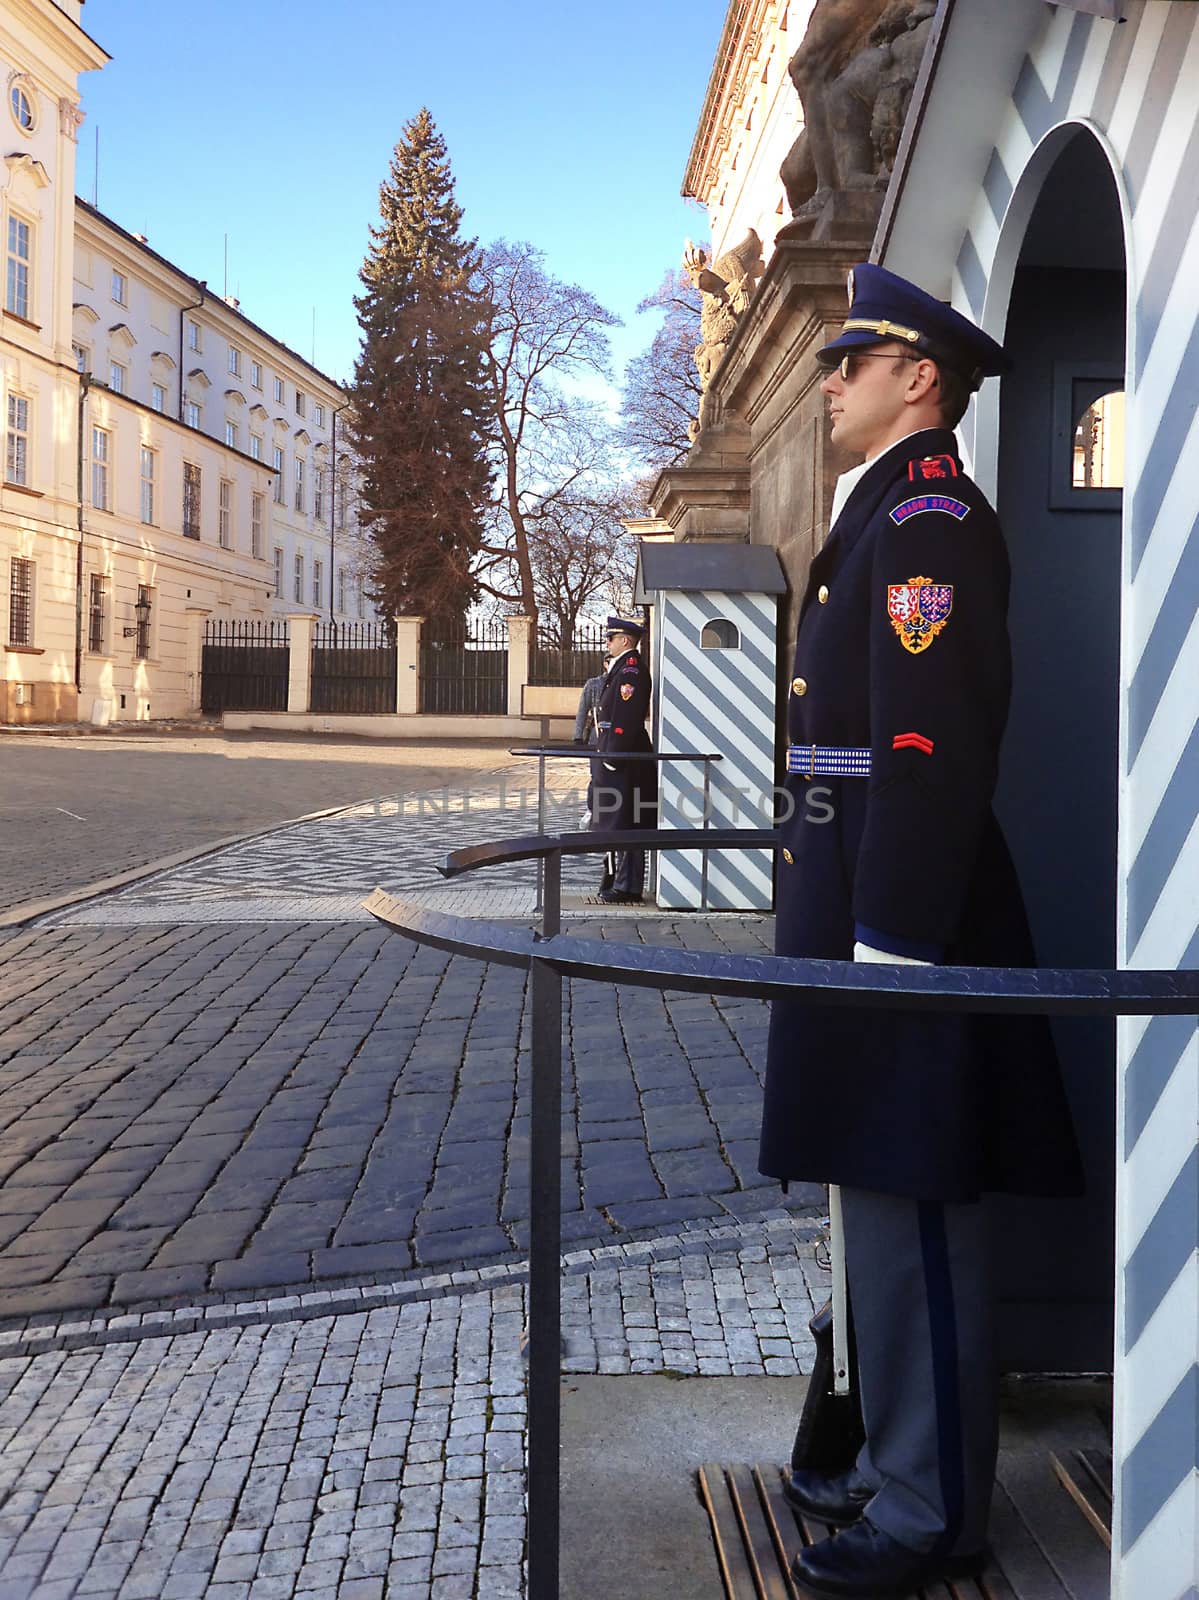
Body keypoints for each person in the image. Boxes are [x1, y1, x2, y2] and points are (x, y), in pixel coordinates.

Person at [760, 263, 1083, 1599]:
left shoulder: (931, 514)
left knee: (914, 1205)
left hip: (899, 908)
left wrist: (893, 939)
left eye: (851, 360)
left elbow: (926, 744)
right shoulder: (882, 512)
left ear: (916, 377)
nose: (827, 380)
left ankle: (929, 1511)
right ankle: (875, 1455)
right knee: (872, 1192)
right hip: (855, 895)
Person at [589, 616, 655, 905]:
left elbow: (625, 720)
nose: (607, 643)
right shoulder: (620, 670)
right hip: (614, 755)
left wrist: (613, 757)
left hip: (624, 758)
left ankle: (627, 885)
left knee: (628, 820)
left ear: (625, 641)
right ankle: (617, 880)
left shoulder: (631, 672)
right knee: (617, 820)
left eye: (610, 638)